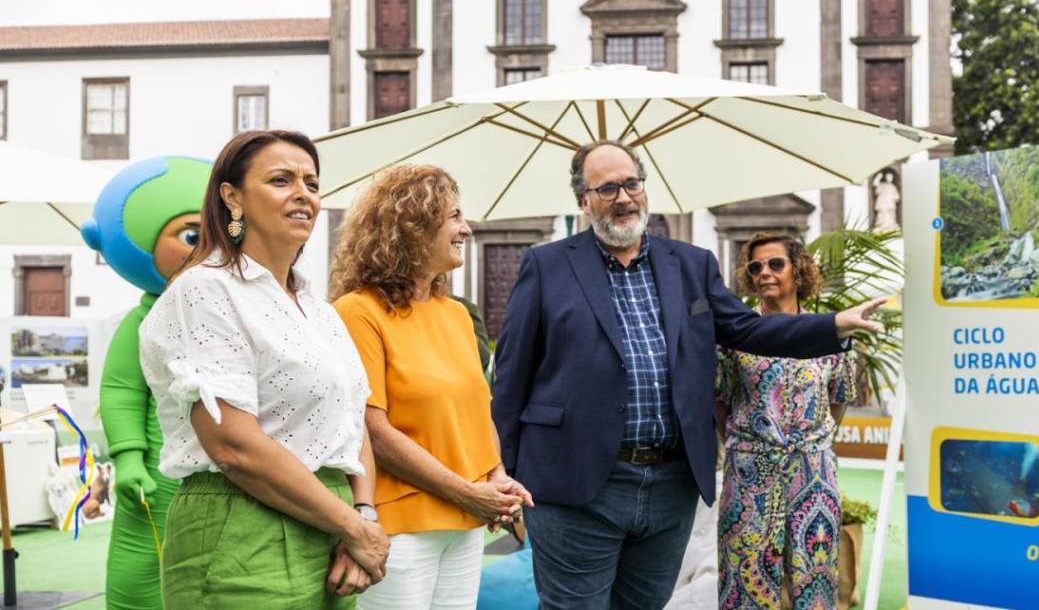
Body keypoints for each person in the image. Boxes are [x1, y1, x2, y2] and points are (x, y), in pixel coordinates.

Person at [492, 140, 885, 609]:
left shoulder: (692, 264)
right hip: (574, 483)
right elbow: (511, 381)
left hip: (668, 487)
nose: (623, 197)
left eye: (632, 183)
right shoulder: (547, 265)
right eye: (608, 187)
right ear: (583, 200)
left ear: (644, 188)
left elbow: (747, 329)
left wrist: (834, 325)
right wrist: (502, 472)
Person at [139, 130, 389, 608]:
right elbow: (232, 445)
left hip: (336, 527)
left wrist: (364, 516)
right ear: (232, 196)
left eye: (312, 184)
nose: (303, 194)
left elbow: (352, 423)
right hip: (240, 522)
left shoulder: (320, 311)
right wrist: (355, 527)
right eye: (281, 180)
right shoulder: (206, 290)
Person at [330, 164, 531, 609]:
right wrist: (467, 492)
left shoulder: (456, 314)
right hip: (401, 526)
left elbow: (479, 413)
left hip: (467, 523)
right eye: (454, 216)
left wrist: (496, 480)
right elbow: (372, 431)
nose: (466, 228)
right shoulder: (358, 311)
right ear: (412, 226)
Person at [80, 155, 211, 610]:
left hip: (231, 476)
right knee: (141, 570)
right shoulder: (143, 320)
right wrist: (130, 457)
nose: (206, 248)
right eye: (193, 236)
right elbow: (121, 389)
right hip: (158, 476)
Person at [716, 232, 857, 609]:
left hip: (814, 472)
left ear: (799, 270)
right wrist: (748, 443)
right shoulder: (732, 336)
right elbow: (720, 400)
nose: (765, 272)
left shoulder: (829, 332)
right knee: (745, 579)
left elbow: (838, 399)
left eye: (776, 264)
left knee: (815, 580)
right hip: (749, 475)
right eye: (755, 266)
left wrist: (810, 441)